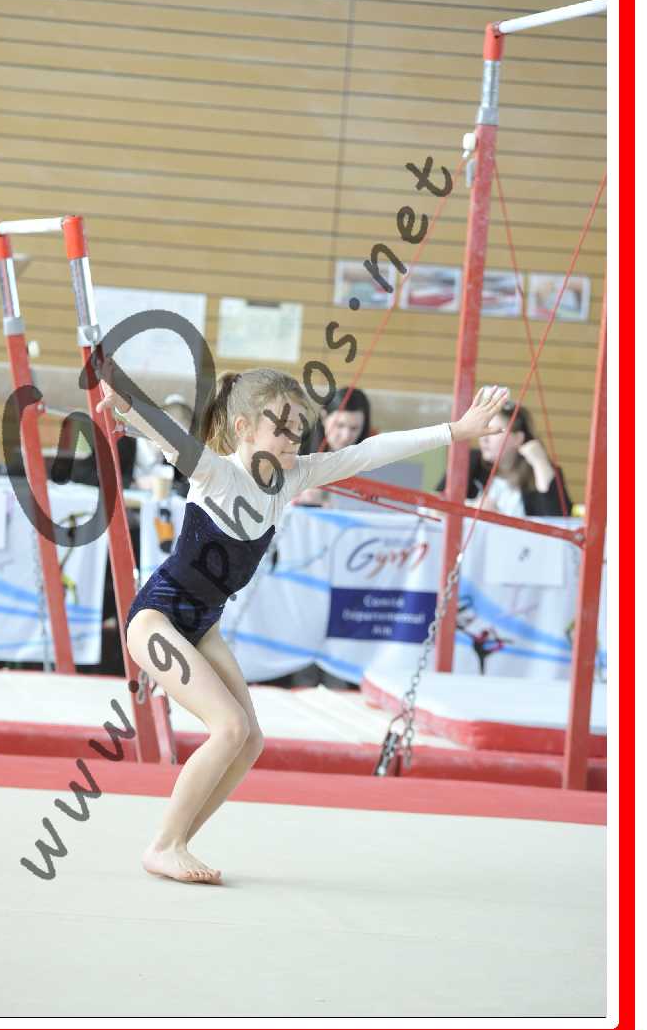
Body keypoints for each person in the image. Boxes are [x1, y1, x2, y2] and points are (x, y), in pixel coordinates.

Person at [97, 360, 509, 884]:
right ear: (244, 428)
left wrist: (455, 430)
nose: (293, 438)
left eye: (299, 427)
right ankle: (165, 844)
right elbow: (171, 436)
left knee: (249, 741)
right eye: (281, 426)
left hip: (202, 627)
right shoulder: (217, 473)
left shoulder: (293, 477)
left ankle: (175, 841)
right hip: (157, 620)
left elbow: (369, 452)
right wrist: (129, 403)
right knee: (229, 727)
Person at [436, 397, 571, 517]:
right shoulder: (469, 461)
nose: (484, 439)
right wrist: (471, 508)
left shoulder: (542, 471)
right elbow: (435, 506)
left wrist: (540, 463)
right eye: (483, 430)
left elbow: (559, 520)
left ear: (518, 438)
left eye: (494, 431)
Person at [294, 387, 374, 507]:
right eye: (340, 425)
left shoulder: (369, 457)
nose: (346, 436)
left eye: (354, 428)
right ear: (324, 417)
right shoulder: (295, 449)